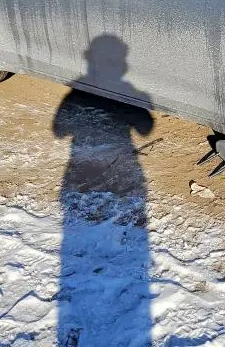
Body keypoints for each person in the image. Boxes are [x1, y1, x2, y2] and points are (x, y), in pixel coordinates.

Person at [52, 35, 154, 346]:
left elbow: (58, 129)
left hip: (84, 175)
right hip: (121, 175)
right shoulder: (129, 91)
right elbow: (146, 127)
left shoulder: (77, 91)